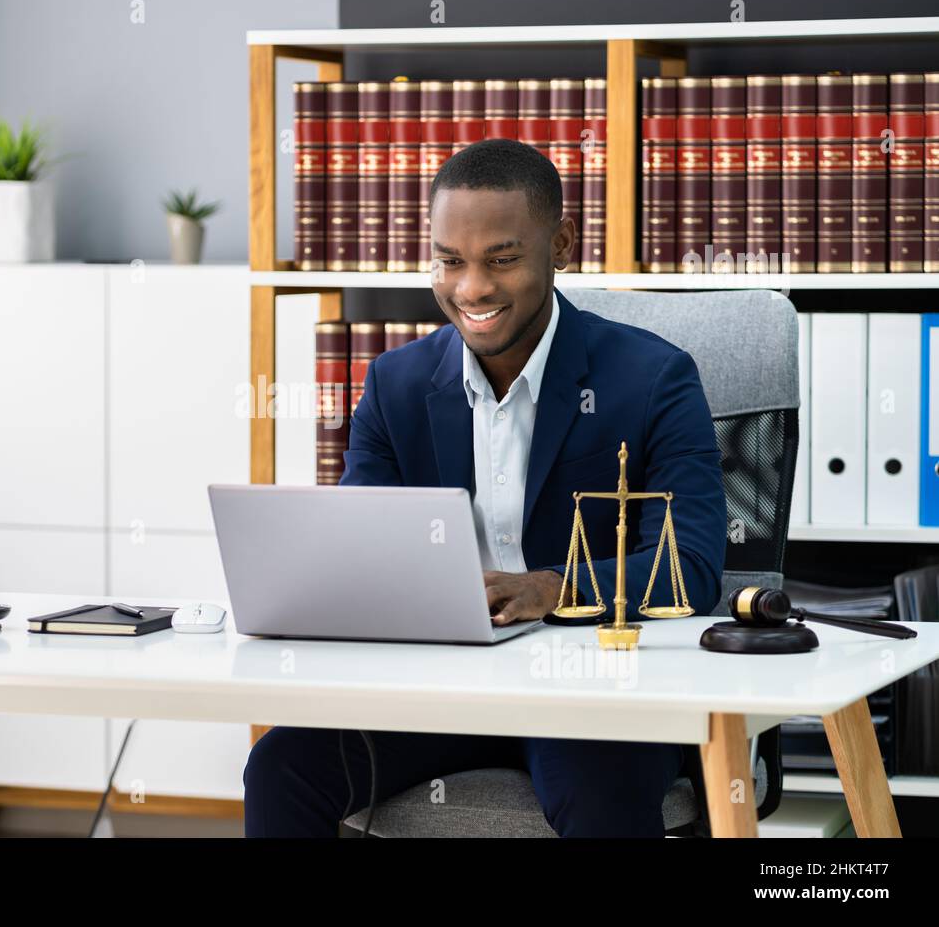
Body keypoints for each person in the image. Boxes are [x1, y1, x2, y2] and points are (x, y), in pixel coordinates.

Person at [244, 138, 727, 837]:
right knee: (280, 766)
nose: (472, 289)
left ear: (562, 243)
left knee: (599, 791)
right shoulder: (396, 385)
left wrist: (554, 588)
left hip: (592, 691)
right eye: (450, 260)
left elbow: (694, 568)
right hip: (439, 694)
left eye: (502, 259)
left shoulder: (654, 379)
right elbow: (359, 554)